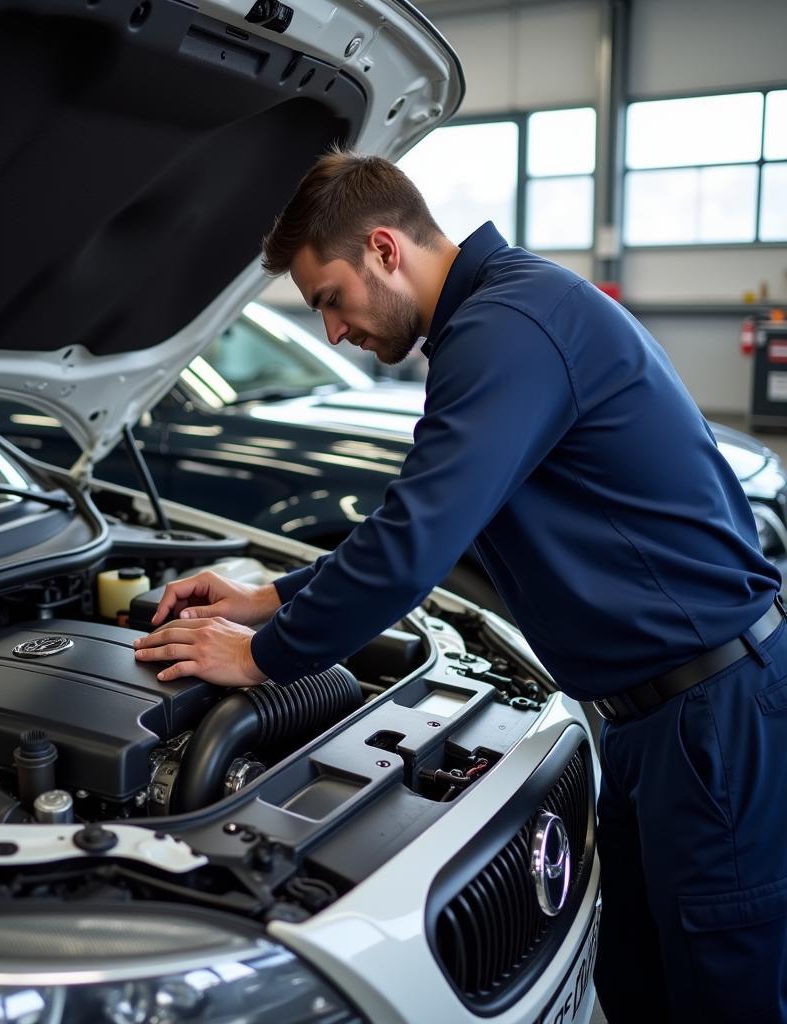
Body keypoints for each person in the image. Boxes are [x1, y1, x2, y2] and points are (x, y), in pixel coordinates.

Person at [131, 148, 787, 1023]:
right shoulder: (506, 312)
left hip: (711, 720)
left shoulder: (506, 328)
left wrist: (261, 659)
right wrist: (272, 596)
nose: (332, 331)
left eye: (330, 298)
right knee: (639, 988)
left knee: (720, 997)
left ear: (383, 249)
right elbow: (426, 522)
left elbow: (410, 547)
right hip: (654, 720)